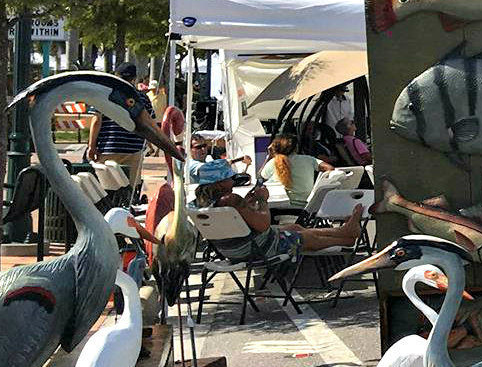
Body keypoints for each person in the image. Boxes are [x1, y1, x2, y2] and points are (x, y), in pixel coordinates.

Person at [191, 156, 366, 263]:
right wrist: (262, 200)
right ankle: (345, 240)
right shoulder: (231, 199)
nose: (233, 181)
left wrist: (248, 202)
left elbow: (239, 220)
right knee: (303, 237)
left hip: (229, 251)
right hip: (256, 249)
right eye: (230, 178)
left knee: (295, 228)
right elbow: (263, 224)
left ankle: (344, 231)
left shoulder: (199, 203)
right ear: (221, 182)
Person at [88, 62, 153, 184]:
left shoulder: (104, 94)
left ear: (116, 76)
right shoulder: (142, 97)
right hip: (133, 149)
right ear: (134, 79)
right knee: (130, 189)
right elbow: (149, 123)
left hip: (108, 147)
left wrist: (91, 146)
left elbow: (97, 120)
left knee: (106, 188)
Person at [259, 135, 318, 205]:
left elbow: (261, 176)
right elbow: (329, 168)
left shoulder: (274, 162)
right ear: (296, 147)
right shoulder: (309, 160)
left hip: (280, 207)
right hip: (305, 206)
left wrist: (269, 156)